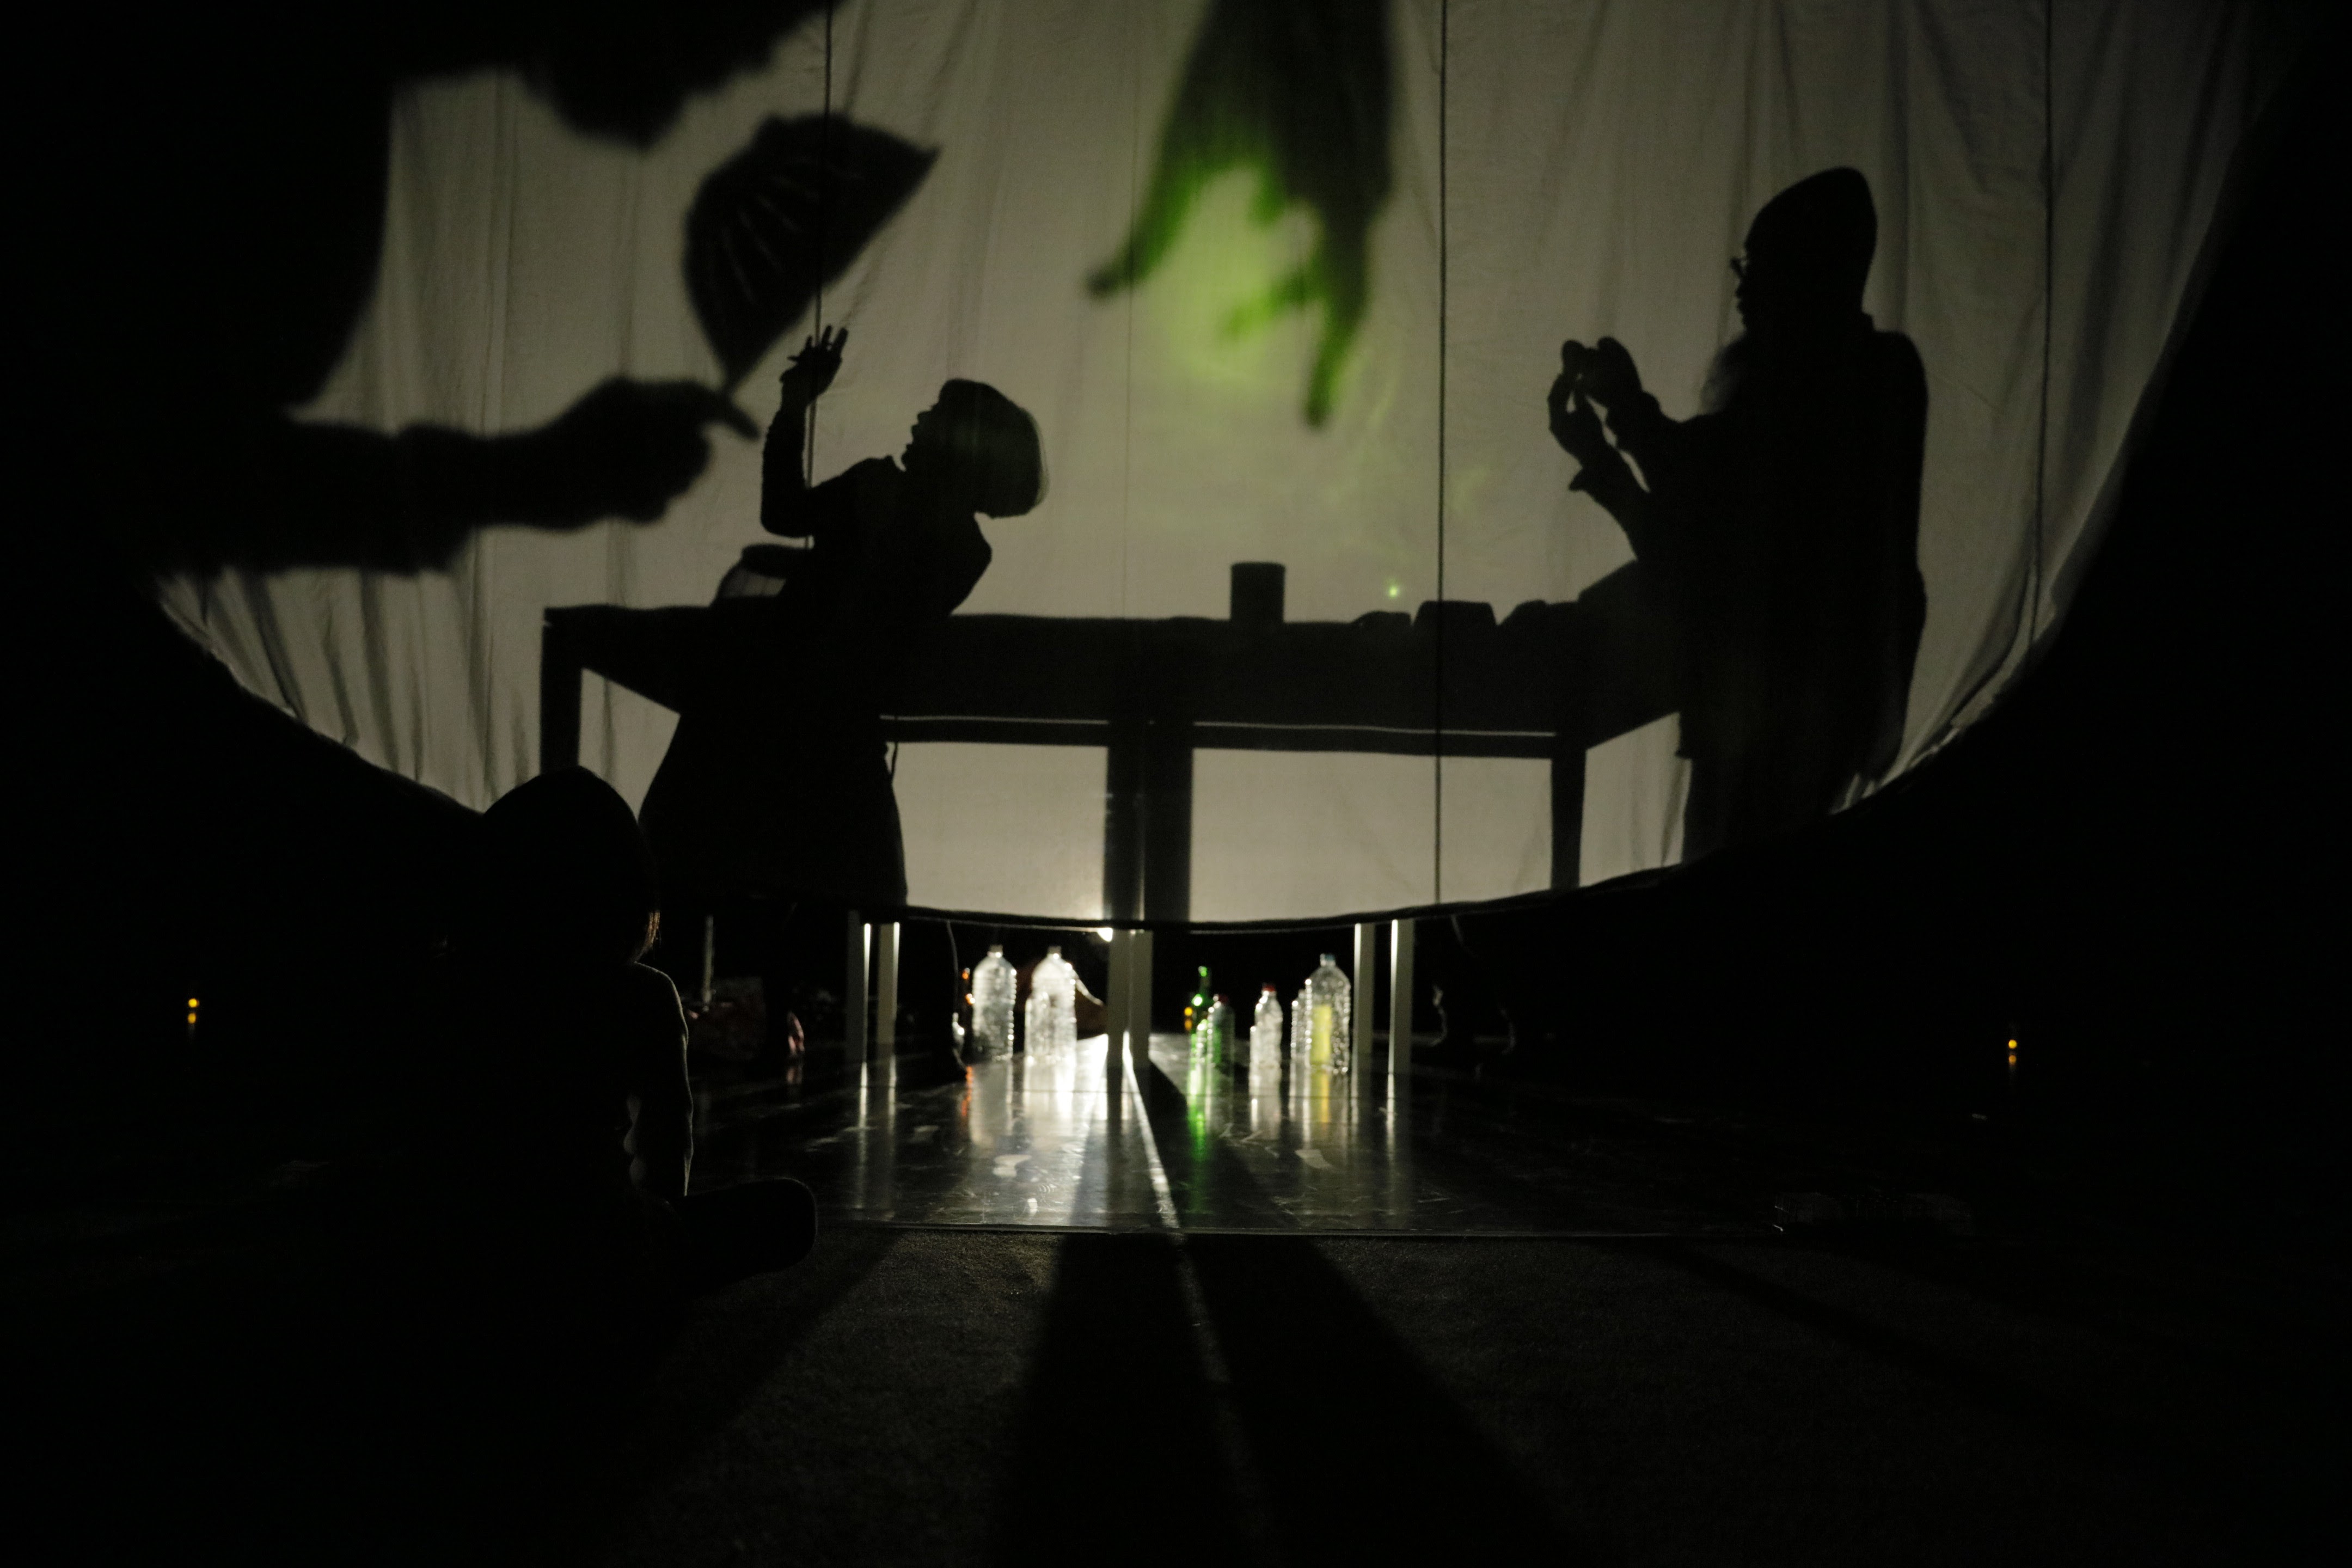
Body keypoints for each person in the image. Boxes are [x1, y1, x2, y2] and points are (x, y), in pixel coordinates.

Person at [640, 330, 1044, 1050]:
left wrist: (795, 408)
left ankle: (747, 1016)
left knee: (735, 863)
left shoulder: (883, 493)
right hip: (832, 715)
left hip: (771, 697)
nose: (918, 421)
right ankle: (924, 1030)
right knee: (864, 880)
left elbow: (786, 515)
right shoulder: (962, 544)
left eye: (935, 416)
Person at [1547, 168, 1928, 860]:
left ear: (1812, 271)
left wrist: (1622, 426)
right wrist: (1615, 444)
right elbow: (1698, 522)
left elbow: (1701, 515)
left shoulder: (1843, 384)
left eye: (1761, 268)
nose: (1744, 290)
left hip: (1774, 719)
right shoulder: (1866, 377)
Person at [409, 767, 816, 1316]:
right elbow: (666, 1141)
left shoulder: (445, 984)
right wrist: (661, 1226)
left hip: (454, 1234)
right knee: (790, 1209)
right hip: (594, 1244)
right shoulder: (640, 994)